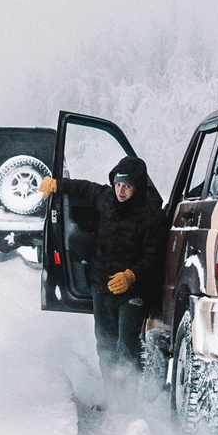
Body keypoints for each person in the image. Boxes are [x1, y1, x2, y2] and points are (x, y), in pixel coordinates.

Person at [40, 154, 168, 381]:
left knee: (127, 345)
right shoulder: (107, 199)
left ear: (137, 187)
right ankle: (113, 398)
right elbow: (85, 188)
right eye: (118, 184)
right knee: (105, 345)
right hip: (102, 285)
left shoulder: (152, 215)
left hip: (133, 291)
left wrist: (131, 276)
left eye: (127, 186)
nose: (120, 191)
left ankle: (130, 401)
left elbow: (155, 257)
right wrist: (56, 184)